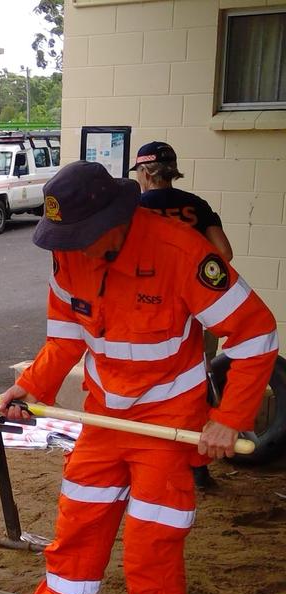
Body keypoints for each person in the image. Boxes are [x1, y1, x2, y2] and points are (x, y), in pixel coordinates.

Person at [0, 161, 278, 594]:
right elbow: (66, 337)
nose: (72, 250)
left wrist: (228, 418)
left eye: (80, 238)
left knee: (150, 550)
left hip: (166, 426)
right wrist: (29, 386)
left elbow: (256, 331)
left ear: (117, 220)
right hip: (103, 420)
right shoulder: (69, 250)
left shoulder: (181, 252)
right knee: (75, 534)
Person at [131, 140, 234, 489]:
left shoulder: (136, 207)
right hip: (198, 308)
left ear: (145, 173)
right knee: (196, 380)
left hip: (147, 311)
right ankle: (198, 466)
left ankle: (151, 457)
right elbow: (224, 254)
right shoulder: (197, 205)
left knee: (147, 383)